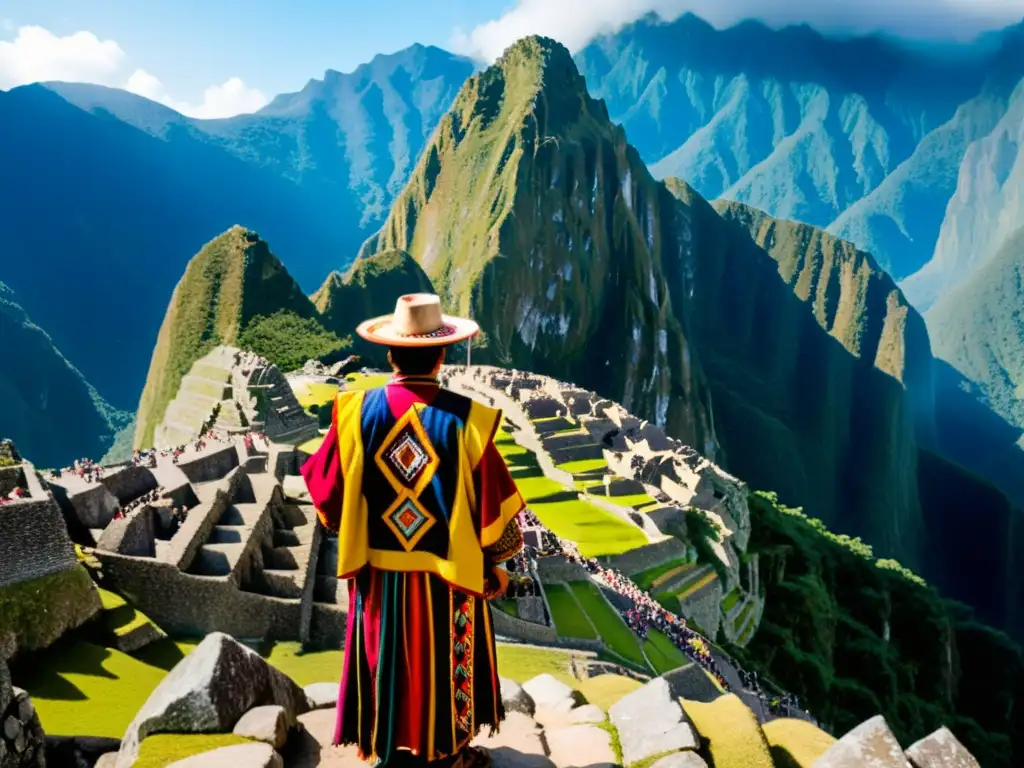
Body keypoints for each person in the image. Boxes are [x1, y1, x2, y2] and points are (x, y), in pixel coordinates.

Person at [302, 293, 525, 768]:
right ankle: (449, 754)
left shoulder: (353, 414)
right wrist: (498, 567)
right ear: (442, 354)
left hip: (379, 571)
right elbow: (496, 512)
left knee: (382, 654)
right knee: (447, 662)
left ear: (390, 353)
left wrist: (358, 522)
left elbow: (325, 490)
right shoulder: (467, 421)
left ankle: (388, 746)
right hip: (450, 576)